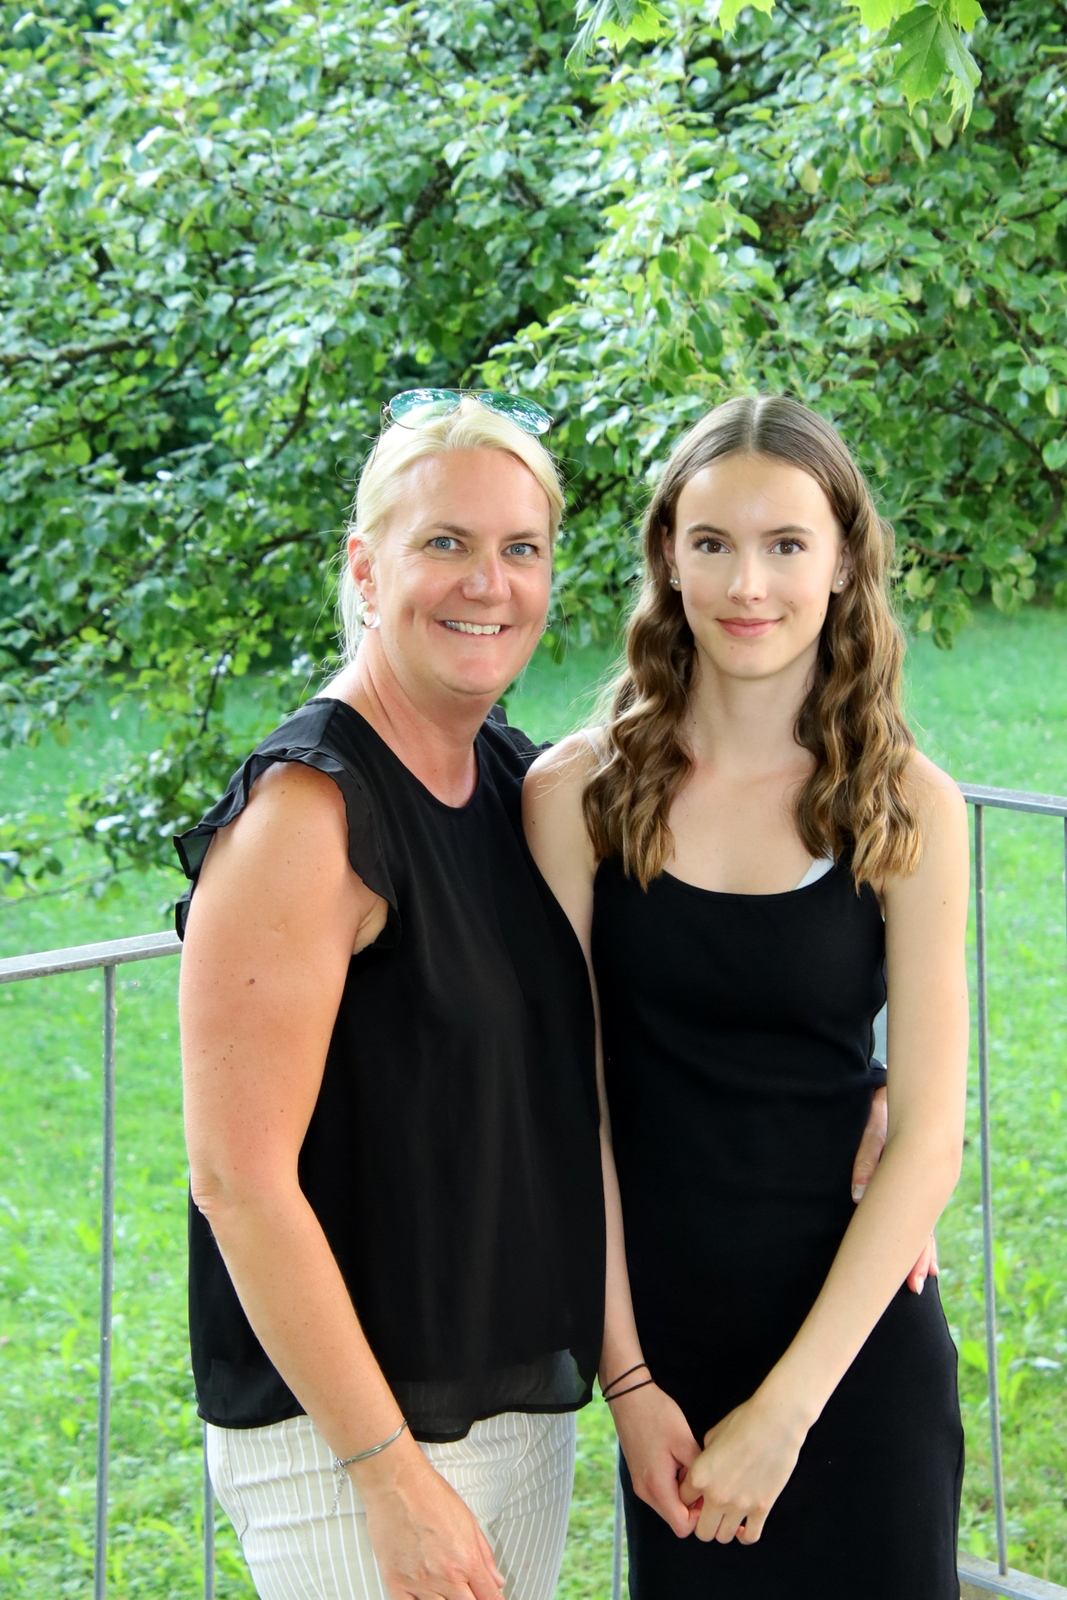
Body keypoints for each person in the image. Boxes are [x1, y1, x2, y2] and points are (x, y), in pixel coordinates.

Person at [524, 394, 969, 1597]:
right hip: (664, 1367)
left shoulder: (905, 804)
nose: (747, 584)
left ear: (841, 563)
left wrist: (785, 1412)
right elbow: (573, 1115)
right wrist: (626, 1381)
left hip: (854, 1356)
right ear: (667, 556)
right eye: (712, 542)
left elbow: (927, 1136)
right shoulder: (575, 795)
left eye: (785, 544)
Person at [175, 393, 606, 1600]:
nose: (488, 583)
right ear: (366, 568)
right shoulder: (308, 812)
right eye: (445, 543)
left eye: (520, 548)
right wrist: (389, 1476)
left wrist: (858, 1093)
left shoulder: (510, 777)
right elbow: (238, 1180)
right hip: (350, 1446)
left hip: (510, 1402)